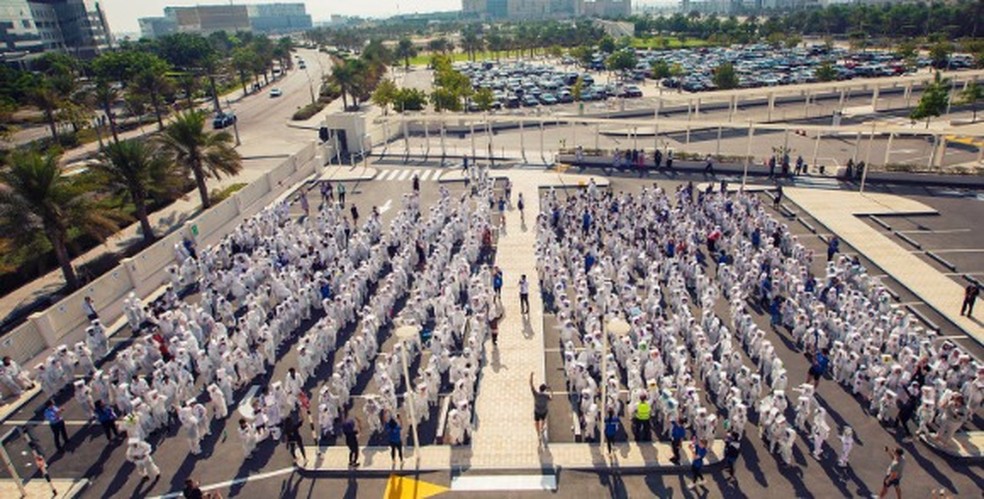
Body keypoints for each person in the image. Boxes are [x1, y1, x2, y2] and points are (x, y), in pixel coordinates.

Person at [529, 372, 551, 446]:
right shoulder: (546, 396)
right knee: (543, 420)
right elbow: (551, 398)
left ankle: (538, 433)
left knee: (536, 421)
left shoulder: (536, 394)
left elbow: (531, 385)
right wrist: (551, 391)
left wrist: (531, 376)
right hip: (544, 410)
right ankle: (542, 429)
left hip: (537, 410)